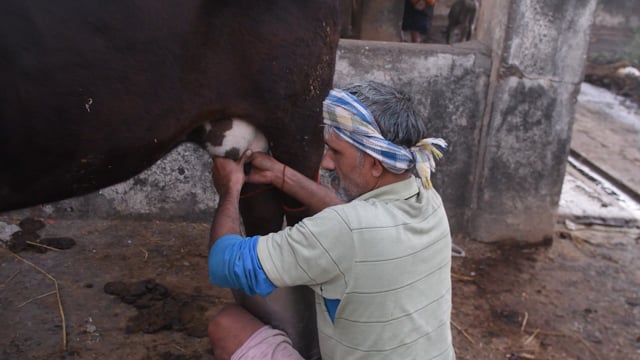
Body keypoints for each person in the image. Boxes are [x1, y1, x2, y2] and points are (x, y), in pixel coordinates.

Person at [207, 81, 455, 359]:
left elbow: (223, 264)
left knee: (227, 325)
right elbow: (354, 221)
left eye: (336, 151)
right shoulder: (429, 200)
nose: (325, 162)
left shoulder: (344, 231)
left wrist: (229, 188)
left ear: (375, 164)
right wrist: (281, 175)